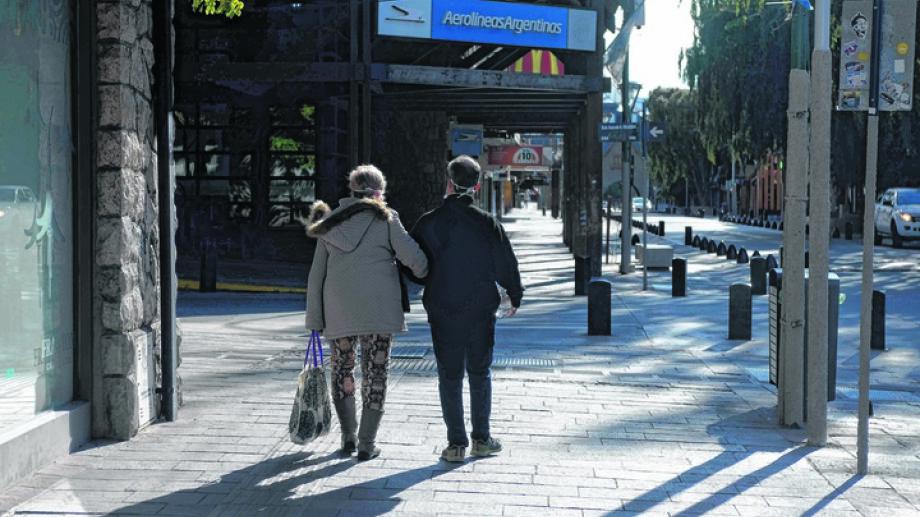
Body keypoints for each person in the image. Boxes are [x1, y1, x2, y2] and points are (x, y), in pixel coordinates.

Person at [304, 165, 428, 461]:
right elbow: (415, 260)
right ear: (378, 192)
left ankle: (348, 436)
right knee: (376, 372)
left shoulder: (331, 222)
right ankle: (366, 443)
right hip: (379, 312)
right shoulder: (387, 219)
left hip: (338, 310)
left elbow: (316, 275)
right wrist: (427, 271)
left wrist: (315, 319)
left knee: (342, 369)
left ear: (351, 191)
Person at [408, 155, 524, 463]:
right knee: (479, 371)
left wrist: (426, 278)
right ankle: (482, 439)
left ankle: (456, 444)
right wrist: (515, 295)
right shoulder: (487, 223)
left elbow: (412, 263)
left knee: (449, 375)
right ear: (477, 186)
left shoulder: (428, 222)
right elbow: (506, 263)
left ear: (448, 182)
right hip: (480, 309)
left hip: (442, 308)